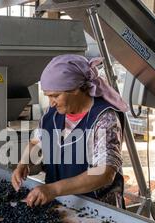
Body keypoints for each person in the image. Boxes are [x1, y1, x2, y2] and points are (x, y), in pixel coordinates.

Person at [11, 54, 127, 208]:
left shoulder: (104, 118)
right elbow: (36, 142)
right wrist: (23, 163)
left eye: (55, 96)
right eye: (48, 96)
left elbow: (105, 173)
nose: (51, 103)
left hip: (97, 211)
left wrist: (53, 189)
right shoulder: (50, 115)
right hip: (59, 205)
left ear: (76, 90)